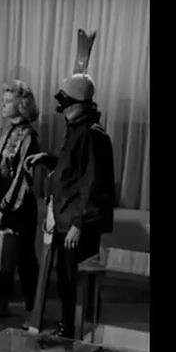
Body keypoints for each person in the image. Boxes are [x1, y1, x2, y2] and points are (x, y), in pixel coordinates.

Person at [25, 73, 115, 338]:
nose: (60, 106)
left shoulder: (92, 135)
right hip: (66, 217)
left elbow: (93, 183)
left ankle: (75, 332)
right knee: (65, 278)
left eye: (65, 99)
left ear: (77, 103)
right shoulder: (77, 129)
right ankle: (67, 326)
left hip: (77, 221)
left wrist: (78, 224)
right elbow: (72, 168)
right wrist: (48, 159)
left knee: (75, 280)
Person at [0, 80, 42, 320]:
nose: (3, 105)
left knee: (25, 258)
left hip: (20, 206)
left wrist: (3, 209)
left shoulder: (29, 137)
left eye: (8, 101)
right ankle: (2, 301)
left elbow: (22, 179)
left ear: (21, 104)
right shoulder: (1, 132)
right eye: (3, 101)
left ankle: (33, 308)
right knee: (1, 254)